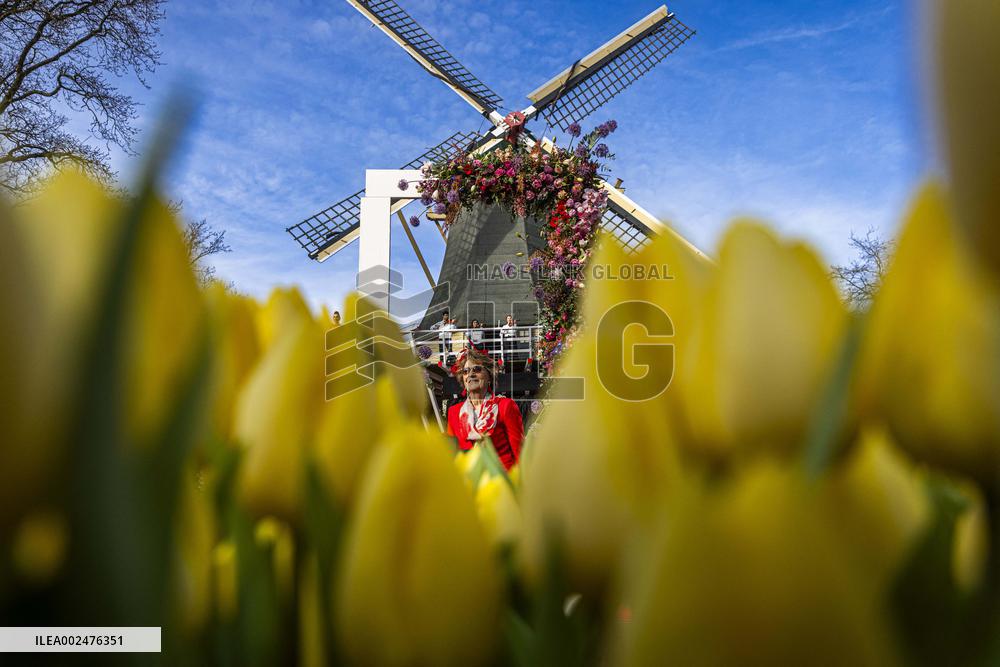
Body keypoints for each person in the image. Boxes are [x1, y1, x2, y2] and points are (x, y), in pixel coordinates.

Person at [447, 347, 523, 470]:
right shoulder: (453, 412)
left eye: (476, 369)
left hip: (501, 481)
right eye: (466, 371)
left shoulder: (505, 406)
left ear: (489, 376)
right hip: (471, 482)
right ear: (463, 380)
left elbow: (520, 454)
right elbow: (452, 455)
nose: (470, 374)